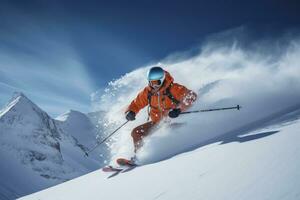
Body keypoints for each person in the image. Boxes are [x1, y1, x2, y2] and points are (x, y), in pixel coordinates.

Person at [125, 66, 197, 156]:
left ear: (162, 80)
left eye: (157, 82)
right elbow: (137, 103)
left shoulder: (174, 88)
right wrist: (131, 111)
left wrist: (179, 110)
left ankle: (172, 152)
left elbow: (191, 96)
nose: (154, 85)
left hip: (174, 121)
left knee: (167, 132)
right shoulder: (148, 92)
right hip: (157, 123)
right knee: (136, 132)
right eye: (151, 82)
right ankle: (139, 156)